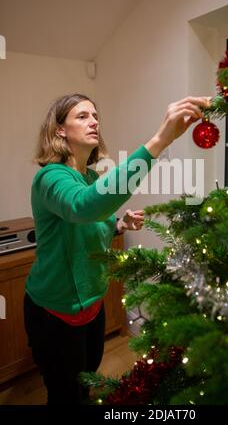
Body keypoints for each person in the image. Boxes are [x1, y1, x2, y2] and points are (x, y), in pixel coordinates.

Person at [24, 93, 210, 405]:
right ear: (59, 130)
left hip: (93, 303)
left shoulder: (87, 176)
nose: (94, 121)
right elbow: (82, 208)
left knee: (87, 380)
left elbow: (91, 221)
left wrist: (118, 224)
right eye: (82, 116)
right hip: (54, 309)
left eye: (95, 115)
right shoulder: (49, 176)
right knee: (65, 393)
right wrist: (159, 142)